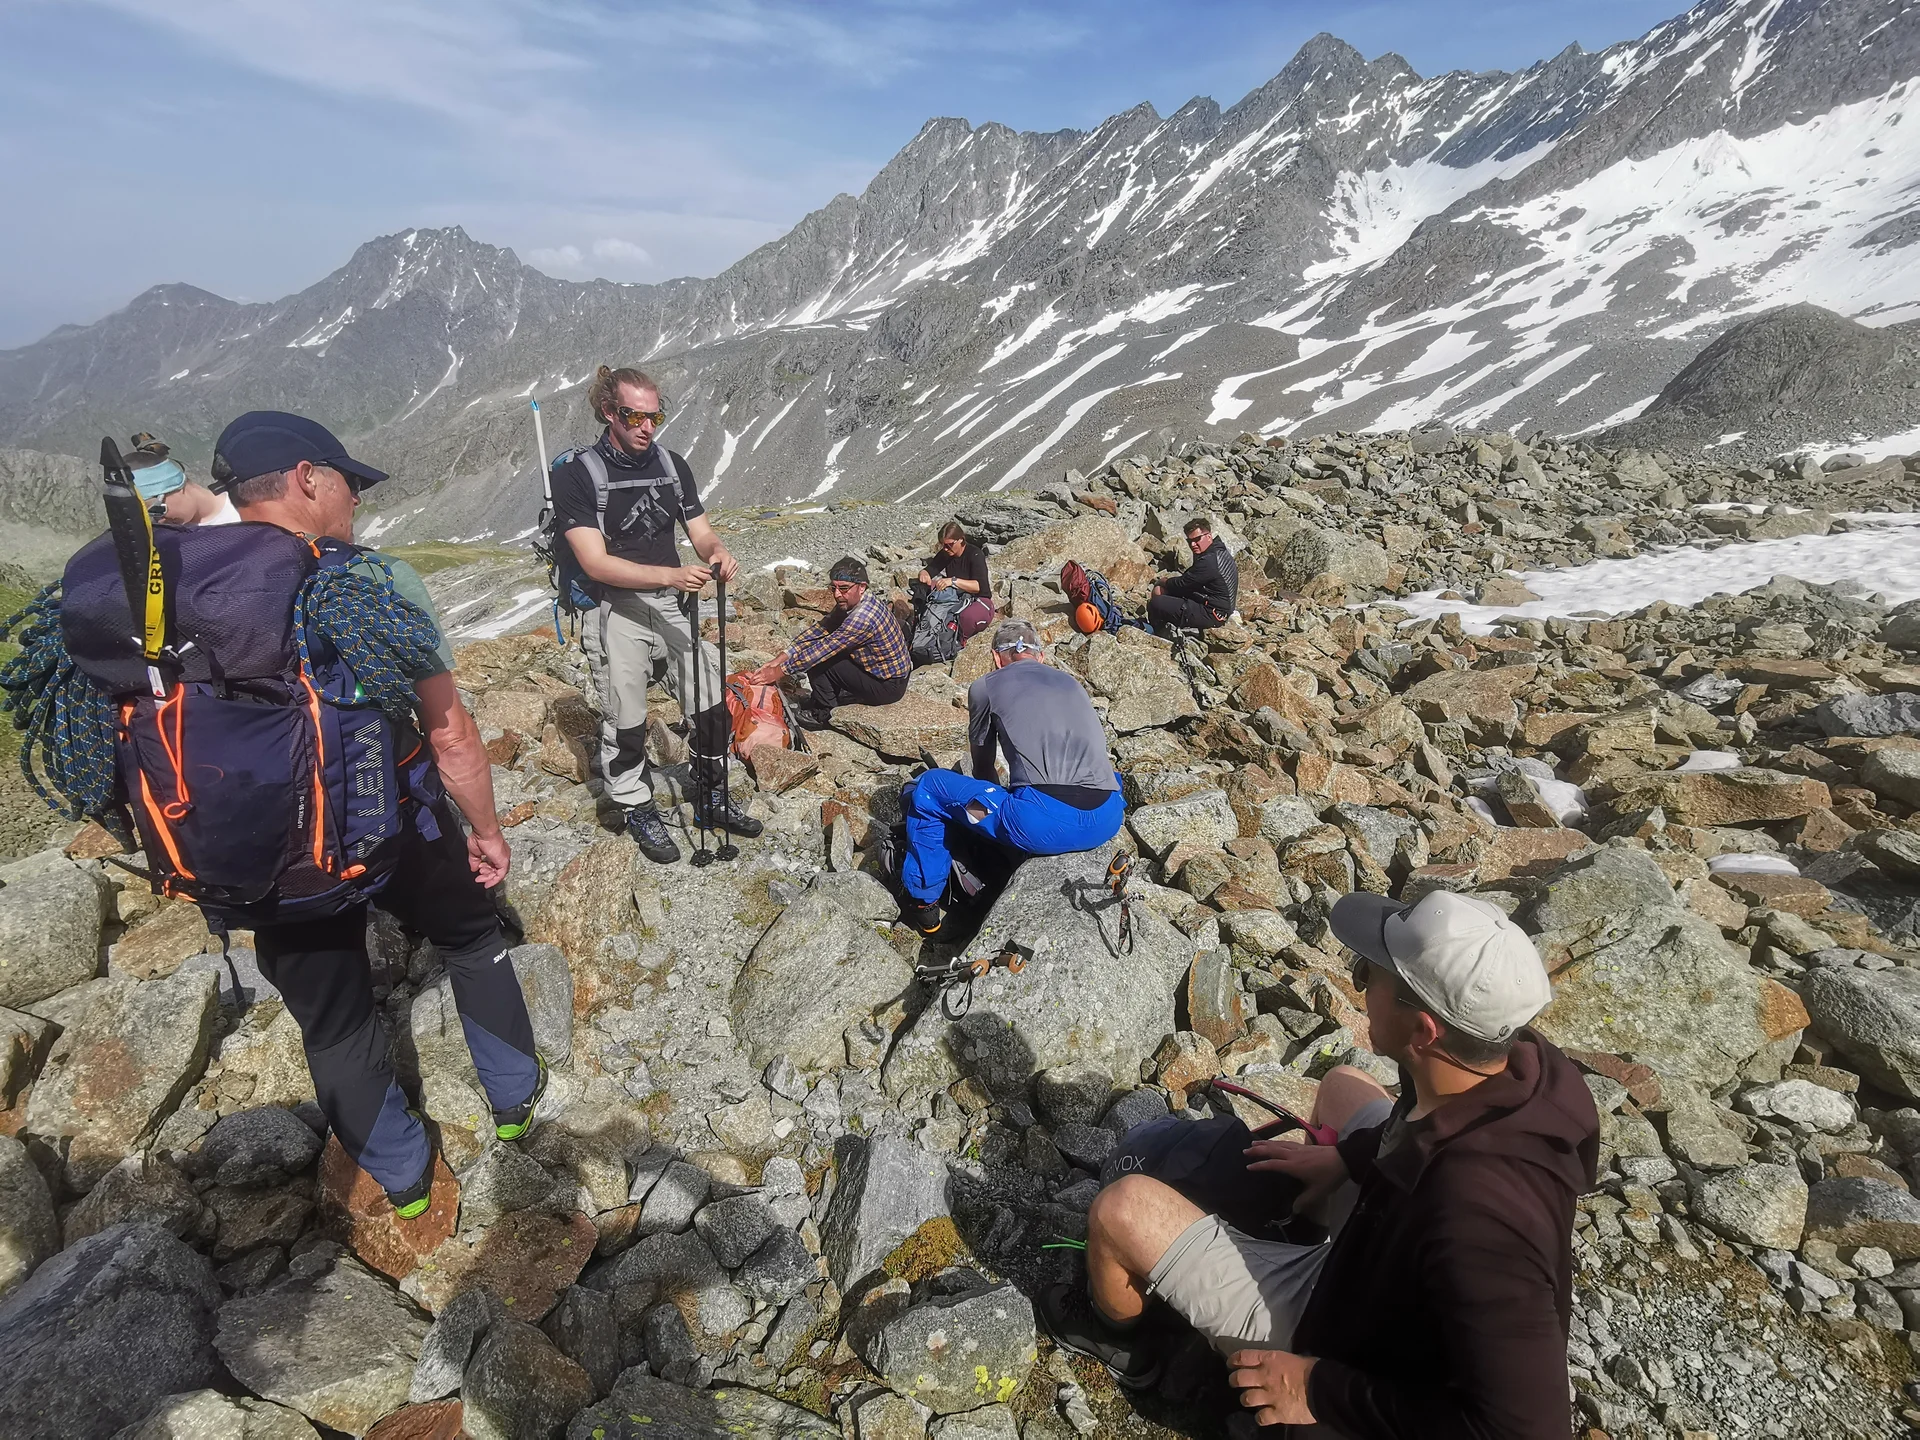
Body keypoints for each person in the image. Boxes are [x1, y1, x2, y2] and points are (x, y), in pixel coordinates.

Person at [1043, 889, 1596, 1438]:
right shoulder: (1515, 1066)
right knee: (1344, 1088)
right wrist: (1350, 1159)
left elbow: (1526, 1430)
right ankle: (1305, 1229)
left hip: (1350, 1344)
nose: (1358, 985)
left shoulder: (1480, 1226)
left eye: (1367, 972)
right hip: (1376, 1275)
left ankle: (1123, 1343)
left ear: (1424, 1030)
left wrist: (1320, 1389)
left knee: (1120, 1208)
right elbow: (1422, 1131)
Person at [216, 410, 547, 1218]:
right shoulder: (368, 581)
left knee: (333, 1020)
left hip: (262, 859)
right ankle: (511, 1110)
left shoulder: (167, 600)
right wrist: (489, 833)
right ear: (306, 479)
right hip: (391, 825)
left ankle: (402, 1182)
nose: (356, 499)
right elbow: (451, 732)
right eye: (348, 481)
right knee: (472, 936)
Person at [551, 365, 761, 865]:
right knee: (627, 717)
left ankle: (710, 795)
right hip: (616, 606)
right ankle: (637, 806)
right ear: (609, 412)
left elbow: (701, 531)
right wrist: (670, 576)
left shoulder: (671, 464)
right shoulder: (578, 473)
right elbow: (594, 561)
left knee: (710, 703)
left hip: (671, 603)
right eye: (634, 416)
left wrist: (717, 553)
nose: (647, 427)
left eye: (655, 415)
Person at [899, 619, 1124, 936]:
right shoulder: (1071, 683)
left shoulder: (985, 686)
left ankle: (925, 906)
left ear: (995, 657)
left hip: (1042, 824)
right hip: (1108, 815)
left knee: (930, 787)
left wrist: (984, 807)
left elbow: (982, 768)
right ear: (1040, 656)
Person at [742, 556, 910, 729]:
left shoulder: (862, 618)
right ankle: (827, 697)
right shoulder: (856, 601)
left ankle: (824, 715)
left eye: (844, 588)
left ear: (861, 587)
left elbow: (822, 650)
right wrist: (781, 657)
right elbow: (822, 628)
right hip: (884, 674)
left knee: (819, 661)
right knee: (822, 652)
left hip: (888, 686)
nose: (837, 595)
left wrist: (778, 672)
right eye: (834, 588)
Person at [126, 433, 242, 525]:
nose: (159, 521)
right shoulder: (170, 540)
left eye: (157, 511)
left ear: (173, 484)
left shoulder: (246, 508)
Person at [1147, 515, 1237, 632]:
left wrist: (1164, 581)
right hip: (1211, 603)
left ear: (1208, 536)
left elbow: (1183, 583)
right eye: (1190, 541)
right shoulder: (1218, 550)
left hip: (1213, 614)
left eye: (1197, 539)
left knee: (1156, 602)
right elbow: (1190, 580)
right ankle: (1167, 626)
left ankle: (1156, 633)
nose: (1193, 544)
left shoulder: (1210, 560)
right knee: (1161, 592)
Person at [916, 520, 995, 643]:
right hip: (956, 596)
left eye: (949, 544)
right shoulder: (946, 554)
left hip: (979, 599)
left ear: (961, 539)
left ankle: (961, 643)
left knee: (966, 617)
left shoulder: (975, 554)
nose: (946, 548)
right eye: (943, 545)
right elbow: (931, 569)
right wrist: (924, 574)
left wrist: (953, 581)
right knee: (923, 590)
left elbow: (979, 586)